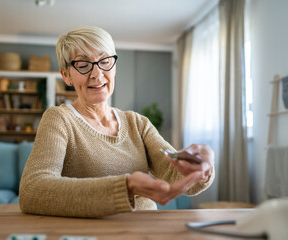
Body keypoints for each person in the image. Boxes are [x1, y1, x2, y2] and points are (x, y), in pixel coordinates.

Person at [19, 26, 214, 218]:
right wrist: (125, 187)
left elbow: (176, 173)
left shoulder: (137, 123)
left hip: (147, 230)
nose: (97, 74)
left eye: (104, 61)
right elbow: (32, 191)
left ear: (114, 68)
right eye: (83, 64)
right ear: (66, 75)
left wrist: (201, 167)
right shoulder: (59, 119)